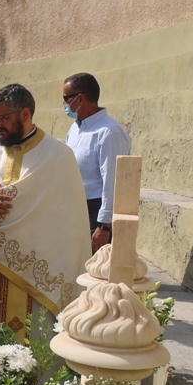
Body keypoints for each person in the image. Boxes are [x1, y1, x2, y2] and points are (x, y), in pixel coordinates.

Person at [0, 84, 91, 337]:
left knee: (33, 342)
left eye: (3, 117)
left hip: (38, 274)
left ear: (25, 114)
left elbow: (71, 224)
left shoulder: (59, 156)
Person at [63, 73, 132, 252]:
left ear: (80, 98)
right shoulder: (74, 129)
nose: (64, 104)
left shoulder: (109, 132)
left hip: (96, 212)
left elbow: (112, 181)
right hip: (75, 209)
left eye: (66, 98)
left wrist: (104, 226)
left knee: (97, 271)